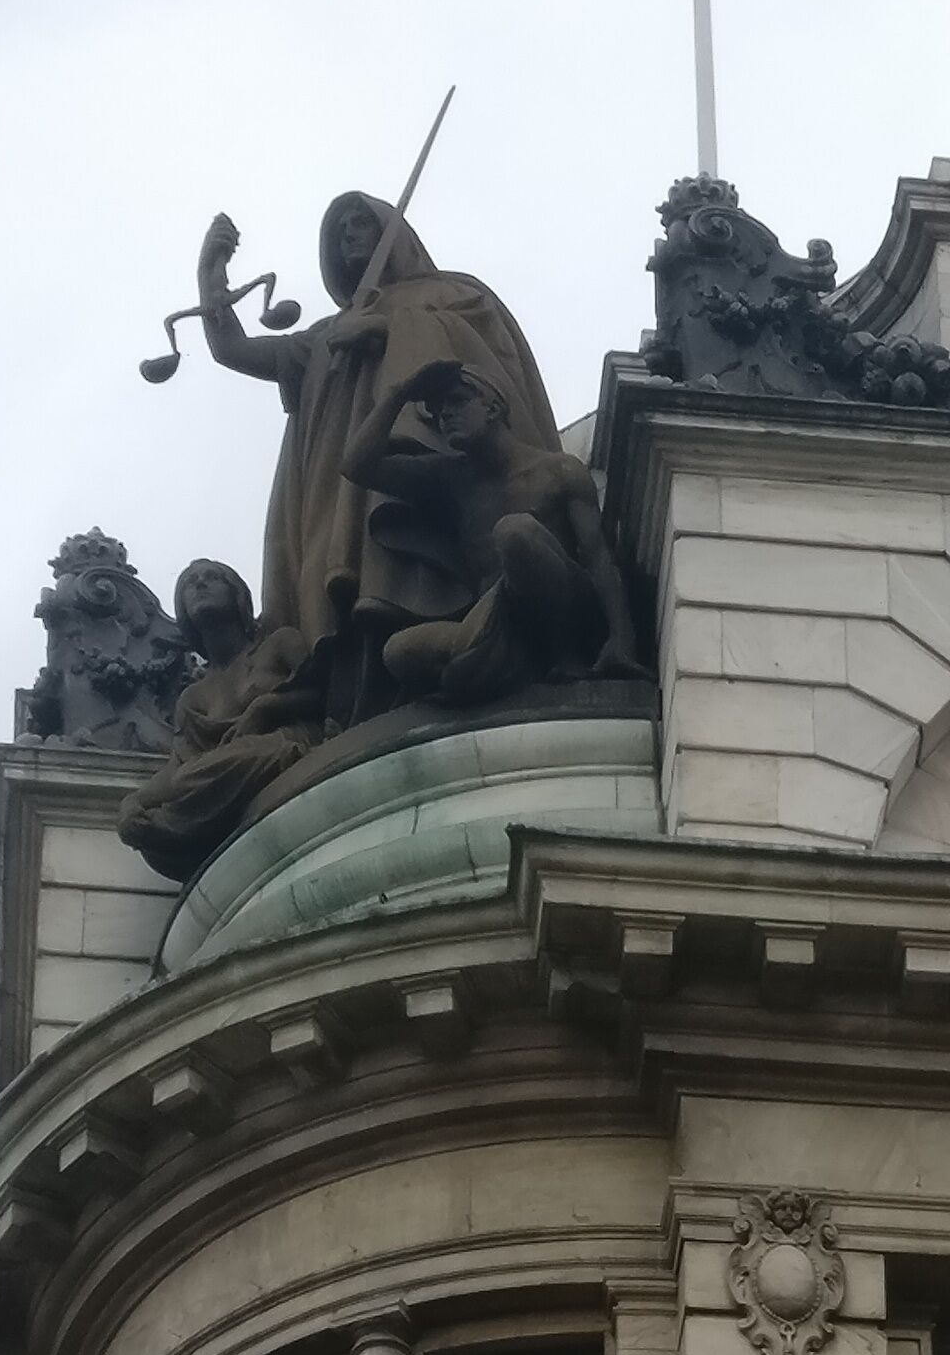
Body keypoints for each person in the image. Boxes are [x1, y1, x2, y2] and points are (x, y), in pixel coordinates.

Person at [189, 192, 563, 715]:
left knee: (413, 563)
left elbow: (491, 361)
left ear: (394, 231)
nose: (347, 234)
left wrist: (390, 329)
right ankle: (360, 702)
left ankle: (457, 655)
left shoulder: (455, 292)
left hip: (428, 471)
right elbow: (235, 350)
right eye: (338, 229)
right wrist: (211, 278)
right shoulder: (325, 334)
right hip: (344, 488)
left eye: (360, 221)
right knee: (351, 587)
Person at [337, 356, 640, 710]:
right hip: (499, 622)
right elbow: (357, 466)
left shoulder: (559, 470)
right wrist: (398, 393)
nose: (444, 415)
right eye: (437, 410)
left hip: (569, 614)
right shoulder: (452, 479)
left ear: (493, 407)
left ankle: (564, 659)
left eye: (457, 402)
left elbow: (597, 556)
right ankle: (513, 669)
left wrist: (622, 638)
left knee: (516, 532)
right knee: (399, 651)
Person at [118, 562, 321, 881]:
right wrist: (133, 802)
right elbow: (180, 766)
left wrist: (265, 707)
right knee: (177, 794)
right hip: (225, 767)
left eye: (212, 578)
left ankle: (193, 822)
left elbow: (326, 690)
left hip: (290, 745)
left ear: (237, 594)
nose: (199, 585)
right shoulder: (193, 697)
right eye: (189, 584)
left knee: (202, 776)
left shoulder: (280, 643)